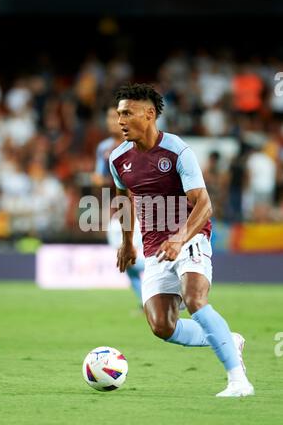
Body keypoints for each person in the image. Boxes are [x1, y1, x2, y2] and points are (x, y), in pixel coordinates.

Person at [109, 83, 254, 397]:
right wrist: (126, 242)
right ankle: (229, 338)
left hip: (191, 236)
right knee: (162, 326)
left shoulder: (177, 151)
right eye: (119, 114)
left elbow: (204, 204)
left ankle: (238, 381)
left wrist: (179, 238)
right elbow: (123, 200)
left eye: (127, 113)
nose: (121, 120)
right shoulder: (118, 159)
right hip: (154, 248)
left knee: (195, 299)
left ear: (149, 115)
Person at [92, 105, 144, 305]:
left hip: (139, 211)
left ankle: (163, 288)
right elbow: (99, 178)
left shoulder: (135, 144)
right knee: (126, 261)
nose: (111, 122)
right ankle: (145, 302)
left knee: (136, 258)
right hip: (116, 212)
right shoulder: (103, 148)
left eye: (116, 117)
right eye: (108, 117)